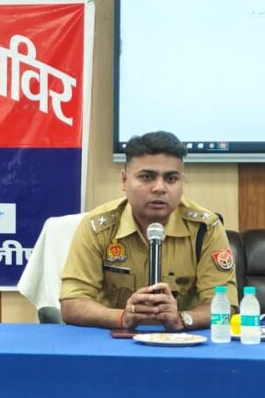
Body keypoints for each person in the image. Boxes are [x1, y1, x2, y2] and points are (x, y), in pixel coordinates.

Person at [59, 131, 238, 331]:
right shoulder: (97, 227)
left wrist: (182, 319)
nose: (159, 188)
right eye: (147, 177)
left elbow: (226, 306)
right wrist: (122, 317)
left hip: (182, 341)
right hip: (114, 340)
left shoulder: (206, 228)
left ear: (182, 183)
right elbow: (72, 303)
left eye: (171, 178)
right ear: (124, 180)